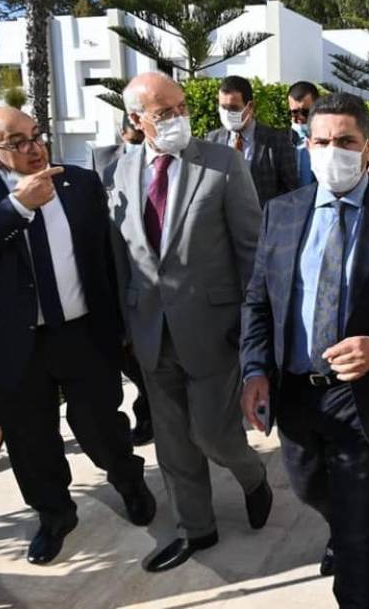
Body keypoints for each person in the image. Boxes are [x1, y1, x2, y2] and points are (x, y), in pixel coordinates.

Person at [240, 92, 369, 608]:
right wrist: (254, 370)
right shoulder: (280, 214)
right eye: (322, 141)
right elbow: (258, 301)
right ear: (307, 145)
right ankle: (341, 524)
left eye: (346, 141)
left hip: (364, 398)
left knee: (360, 530)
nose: (333, 150)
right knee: (309, 486)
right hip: (295, 393)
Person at [0, 107, 155, 565]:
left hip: (81, 331)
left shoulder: (79, 183)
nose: (34, 146)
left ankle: (129, 482)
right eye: (17, 142)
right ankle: (55, 514)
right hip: (14, 341)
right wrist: (18, 206)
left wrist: (121, 324)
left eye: (36, 134)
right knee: (30, 438)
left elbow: (105, 256)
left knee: (101, 425)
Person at [109, 72, 271, 573]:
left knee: (213, 435)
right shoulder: (116, 170)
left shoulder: (223, 163)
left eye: (181, 108)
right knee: (174, 441)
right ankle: (194, 529)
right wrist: (123, 326)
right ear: (137, 120)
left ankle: (253, 477)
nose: (179, 118)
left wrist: (253, 331)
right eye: (164, 113)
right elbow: (121, 256)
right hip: (150, 332)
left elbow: (252, 252)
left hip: (213, 329)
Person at [90, 111, 155, 445]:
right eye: (132, 136)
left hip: (141, 272)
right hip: (107, 271)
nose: (137, 144)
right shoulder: (100, 161)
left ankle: (148, 415)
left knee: (147, 365)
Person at [206, 75, 297, 205]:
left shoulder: (276, 141)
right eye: (223, 107)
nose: (227, 113)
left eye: (234, 108)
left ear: (250, 106)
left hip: (263, 221)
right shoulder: (212, 140)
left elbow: (290, 191)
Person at [288, 80, 320, 187]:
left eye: (305, 112)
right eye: (294, 112)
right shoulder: (281, 141)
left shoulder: (328, 140)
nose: (300, 117)